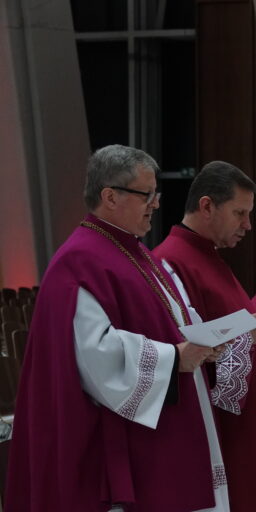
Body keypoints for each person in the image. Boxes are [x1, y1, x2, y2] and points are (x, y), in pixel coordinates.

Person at [5, 145, 229, 511]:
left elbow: (173, 318)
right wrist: (175, 358)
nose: (155, 204)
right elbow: (95, 354)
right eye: (146, 195)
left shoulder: (136, 253)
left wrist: (204, 343)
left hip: (165, 419)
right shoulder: (80, 261)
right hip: (116, 437)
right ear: (110, 197)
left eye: (156, 194)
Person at [153, 161, 256, 512]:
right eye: (239, 213)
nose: (248, 225)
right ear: (207, 206)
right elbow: (186, 352)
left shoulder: (210, 257)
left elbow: (228, 331)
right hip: (226, 433)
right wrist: (249, 337)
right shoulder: (171, 262)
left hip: (252, 426)